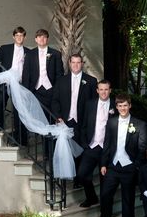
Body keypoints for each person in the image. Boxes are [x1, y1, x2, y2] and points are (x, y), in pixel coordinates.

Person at [89, 93, 147, 217]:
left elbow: (143, 148)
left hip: (129, 168)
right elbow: (107, 144)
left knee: (127, 200)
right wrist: (103, 164)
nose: (123, 108)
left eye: (125, 105)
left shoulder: (140, 124)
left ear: (130, 106)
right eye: (120, 106)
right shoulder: (112, 122)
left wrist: (135, 166)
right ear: (116, 107)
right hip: (113, 166)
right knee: (105, 195)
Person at [51, 53, 98, 187]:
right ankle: (68, 178)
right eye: (73, 62)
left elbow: (94, 103)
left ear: (82, 64)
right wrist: (58, 117)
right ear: (69, 64)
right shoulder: (61, 81)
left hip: (82, 122)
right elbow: (55, 101)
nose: (76, 65)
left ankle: (79, 179)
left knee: (81, 150)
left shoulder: (91, 81)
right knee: (69, 151)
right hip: (66, 121)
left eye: (78, 62)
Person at [78, 79, 116, 207]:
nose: (104, 92)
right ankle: (91, 197)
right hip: (92, 146)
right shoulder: (90, 104)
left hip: (107, 149)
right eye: (101, 89)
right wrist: (85, 145)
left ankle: (105, 209)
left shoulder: (116, 105)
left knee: (104, 180)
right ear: (97, 90)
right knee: (82, 175)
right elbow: (83, 125)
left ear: (110, 90)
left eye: (106, 89)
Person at [0, 26, 29, 145]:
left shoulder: (29, 52)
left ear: (24, 37)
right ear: (13, 37)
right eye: (17, 35)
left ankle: (20, 135)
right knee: (0, 102)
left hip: (20, 84)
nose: (19, 37)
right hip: (6, 81)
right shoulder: (4, 48)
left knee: (18, 110)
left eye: (21, 35)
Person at [22, 29, 64, 120]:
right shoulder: (29, 54)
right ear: (35, 39)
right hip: (35, 90)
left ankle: (50, 133)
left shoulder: (56, 54)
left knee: (52, 115)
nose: (42, 39)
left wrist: (57, 89)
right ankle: (40, 134)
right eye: (39, 37)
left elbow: (59, 74)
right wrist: (27, 91)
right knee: (37, 115)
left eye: (44, 37)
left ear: (47, 39)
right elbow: (26, 74)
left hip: (51, 89)